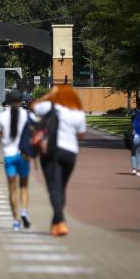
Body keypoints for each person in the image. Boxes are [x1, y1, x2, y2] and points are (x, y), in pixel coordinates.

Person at [32, 85, 86, 237]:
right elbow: (81, 134)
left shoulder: (49, 106)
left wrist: (49, 95)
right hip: (70, 153)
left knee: (53, 188)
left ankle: (60, 220)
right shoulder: (77, 112)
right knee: (61, 187)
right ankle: (56, 223)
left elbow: (34, 107)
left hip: (52, 151)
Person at [0, 90, 31, 231]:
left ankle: (16, 220)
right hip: (24, 155)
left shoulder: (2, 117)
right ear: (21, 101)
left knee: (12, 189)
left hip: (9, 155)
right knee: (24, 187)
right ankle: (24, 211)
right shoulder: (27, 115)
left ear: (7, 102)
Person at [130, 97, 140, 176]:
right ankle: (136, 170)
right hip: (136, 133)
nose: (138, 103)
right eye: (138, 101)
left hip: (138, 133)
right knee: (135, 152)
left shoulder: (136, 111)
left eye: (139, 101)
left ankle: (135, 169)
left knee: (136, 152)